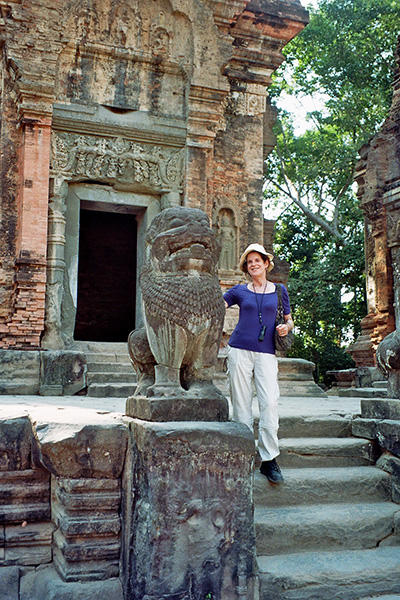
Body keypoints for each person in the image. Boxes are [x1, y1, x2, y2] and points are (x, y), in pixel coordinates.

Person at [223, 243, 293, 483]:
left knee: (270, 402)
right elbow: (216, 305)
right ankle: (242, 455)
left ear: (266, 263)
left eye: (257, 260)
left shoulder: (279, 290)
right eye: (249, 262)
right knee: (241, 405)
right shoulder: (239, 291)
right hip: (239, 350)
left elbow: (289, 320)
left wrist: (286, 327)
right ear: (246, 267)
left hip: (266, 353)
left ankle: (269, 459)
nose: (253, 264)